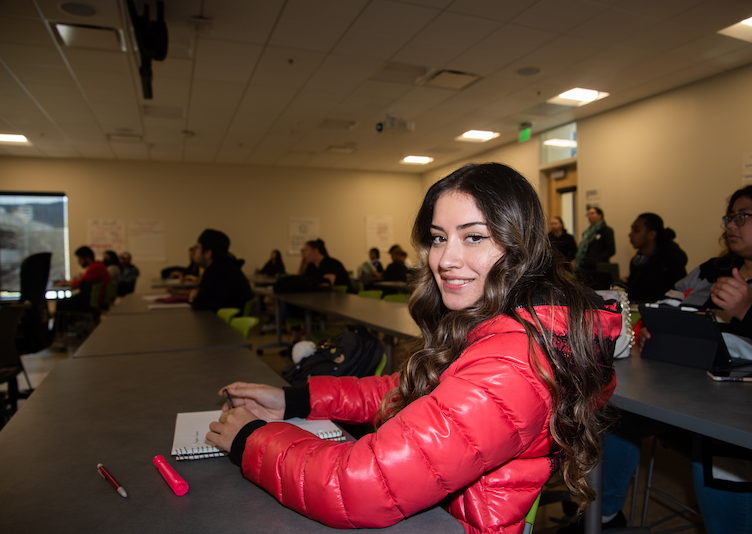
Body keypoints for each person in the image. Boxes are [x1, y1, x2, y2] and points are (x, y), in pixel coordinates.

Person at [206, 163, 622, 533]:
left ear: (520, 247)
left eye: (474, 237)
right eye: (439, 238)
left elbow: (358, 485)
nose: (445, 259)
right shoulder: (503, 325)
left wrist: (250, 438)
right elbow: (412, 391)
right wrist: (294, 399)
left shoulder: (511, 364)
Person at [598, 183, 752, 534]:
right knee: (612, 421)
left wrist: (748, 311)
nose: (730, 225)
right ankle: (605, 518)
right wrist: (650, 328)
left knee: (719, 461)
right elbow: (666, 306)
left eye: (743, 216)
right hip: (683, 394)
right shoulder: (712, 270)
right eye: (729, 217)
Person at [623, 213, 688, 303]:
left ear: (651, 235)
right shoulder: (636, 261)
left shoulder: (670, 262)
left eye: (636, 230)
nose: (630, 234)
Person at [188, 229, 254, 312]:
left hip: (223, 324)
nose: (194, 252)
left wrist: (196, 296)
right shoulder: (226, 267)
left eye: (197, 247)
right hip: (222, 322)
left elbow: (200, 305)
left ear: (208, 253)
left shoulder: (219, 273)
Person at [53, 246, 111, 312]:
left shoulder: (95, 267)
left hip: (95, 301)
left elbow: (80, 283)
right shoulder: (98, 265)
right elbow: (82, 280)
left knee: (61, 303)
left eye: (80, 259)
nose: (79, 262)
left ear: (88, 258)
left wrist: (63, 283)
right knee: (68, 301)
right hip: (97, 299)